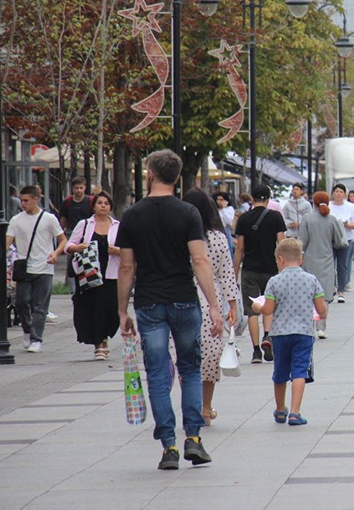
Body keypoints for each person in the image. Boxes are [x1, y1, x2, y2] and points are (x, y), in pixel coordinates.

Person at [116, 149, 224, 470]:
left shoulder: (132, 214)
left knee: (159, 373)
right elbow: (200, 260)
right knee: (190, 368)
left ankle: (169, 446)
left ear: (149, 173)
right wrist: (215, 306)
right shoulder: (189, 212)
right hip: (184, 299)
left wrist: (123, 311)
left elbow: (126, 267)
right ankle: (194, 438)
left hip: (149, 302)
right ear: (177, 177)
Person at [251, 238, 327, 427]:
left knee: (280, 371)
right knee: (300, 371)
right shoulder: (312, 280)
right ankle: (295, 412)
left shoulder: (274, 281)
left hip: (280, 334)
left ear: (281, 259)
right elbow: (321, 309)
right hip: (304, 333)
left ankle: (279, 410)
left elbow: (268, 309)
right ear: (301, 259)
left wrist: (256, 306)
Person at [182, 188, 240, 426]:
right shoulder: (217, 237)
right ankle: (205, 407)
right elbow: (227, 273)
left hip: (182, 293)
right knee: (209, 355)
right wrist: (233, 305)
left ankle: (190, 406)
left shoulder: (178, 235)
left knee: (185, 355)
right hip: (211, 298)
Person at [7, 186, 67, 352]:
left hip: (44, 267)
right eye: (21, 200)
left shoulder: (49, 219)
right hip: (23, 267)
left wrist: (55, 253)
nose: (23, 203)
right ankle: (27, 330)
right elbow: (7, 242)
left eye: (26, 200)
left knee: (40, 306)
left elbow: (62, 239)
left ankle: (36, 338)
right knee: (21, 301)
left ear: (36, 199)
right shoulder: (16, 220)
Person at [234, 184, 286, 363]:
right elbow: (281, 243)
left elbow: (239, 248)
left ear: (252, 198)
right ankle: (267, 336)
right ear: (268, 198)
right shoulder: (276, 217)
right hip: (271, 269)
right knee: (269, 307)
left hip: (249, 269)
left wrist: (234, 273)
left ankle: (256, 351)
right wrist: (283, 267)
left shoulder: (244, 219)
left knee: (252, 312)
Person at [66, 192, 120, 360]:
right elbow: (69, 245)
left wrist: (118, 251)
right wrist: (78, 247)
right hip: (89, 273)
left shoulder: (118, 226)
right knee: (94, 308)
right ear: (94, 206)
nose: (103, 206)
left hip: (111, 273)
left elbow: (129, 248)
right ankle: (99, 345)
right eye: (99, 203)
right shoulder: (85, 224)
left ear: (110, 207)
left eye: (106, 203)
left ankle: (105, 337)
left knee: (110, 309)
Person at [300, 191, 345, 339]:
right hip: (326, 260)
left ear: (314, 202)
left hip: (309, 260)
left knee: (309, 294)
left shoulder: (307, 219)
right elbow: (339, 242)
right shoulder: (331, 219)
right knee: (324, 295)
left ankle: (310, 325)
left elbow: (302, 242)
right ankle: (321, 327)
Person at [329, 184, 354, 302]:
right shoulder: (328, 206)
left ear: (344, 194)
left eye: (341, 192)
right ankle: (331, 288)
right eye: (336, 191)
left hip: (346, 239)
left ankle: (341, 291)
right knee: (330, 265)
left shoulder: (351, 207)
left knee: (342, 266)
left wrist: (346, 224)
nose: (338, 194)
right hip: (330, 239)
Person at [214, 192, 236, 257]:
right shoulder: (214, 209)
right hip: (215, 230)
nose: (219, 201)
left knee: (228, 249)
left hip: (225, 230)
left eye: (221, 200)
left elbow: (228, 220)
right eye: (218, 199)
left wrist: (223, 208)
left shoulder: (229, 209)